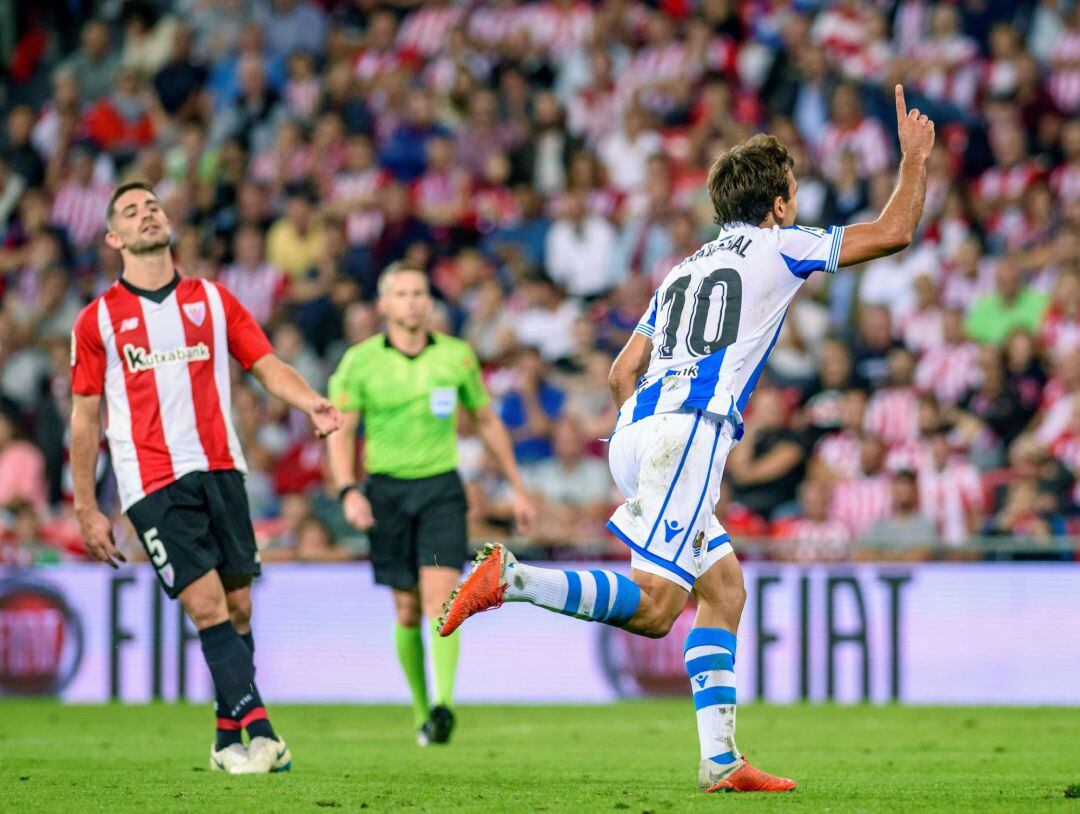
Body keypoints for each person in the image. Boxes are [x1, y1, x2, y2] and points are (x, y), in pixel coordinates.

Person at [439, 85, 935, 793]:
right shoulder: (779, 245)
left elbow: (620, 372)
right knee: (655, 607)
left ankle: (721, 759)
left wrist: (652, 432)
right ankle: (514, 580)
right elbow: (892, 232)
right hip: (688, 437)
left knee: (724, 589)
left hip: (636, 432)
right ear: (780, 203)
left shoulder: (682, 269)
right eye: (792, 192)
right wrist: (914, 158)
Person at [70, 181, 343, 774]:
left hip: (221, 467)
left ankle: (225, 743)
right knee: (206, 605)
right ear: (114, 237)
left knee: (239, 608)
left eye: (154, 206)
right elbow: (85, 415)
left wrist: (310, 402)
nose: (148, 215)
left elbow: (266, 365)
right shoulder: (98, 321)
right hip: (152, 481)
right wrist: (87, 506)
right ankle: (263, 733)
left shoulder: (215, 302)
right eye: (132, 212)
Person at [325, 262, 535, 746]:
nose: (412, 301)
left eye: (419, 292)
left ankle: (443, 704)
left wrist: (517, 489)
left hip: (442, 489)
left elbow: (486, 421)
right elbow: (343, 431)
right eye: (401, 293)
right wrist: (348, 490)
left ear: (430, 302)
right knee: (404, 609)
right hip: (386, 491)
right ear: (384, 305)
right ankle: (423, 712)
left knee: (439, 602)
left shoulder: (457, 357)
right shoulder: (360, 361)